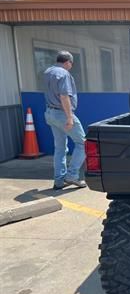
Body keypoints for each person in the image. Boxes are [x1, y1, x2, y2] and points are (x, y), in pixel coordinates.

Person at [44, 51, 86, 190]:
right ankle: (72, 175)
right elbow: (64, 96)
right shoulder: (64, 74)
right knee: (83, 143)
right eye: (71, 64)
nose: (71, 67)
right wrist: (69, 118)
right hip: (62, 114)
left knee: (60, 147)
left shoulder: (48, 72)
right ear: (67, 62)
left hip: (50, 113)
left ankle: (59, 180)